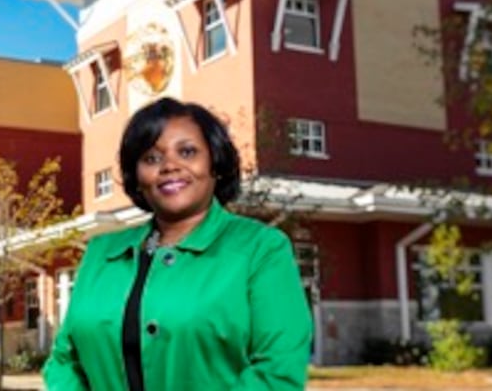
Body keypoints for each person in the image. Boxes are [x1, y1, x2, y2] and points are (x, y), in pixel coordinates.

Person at [43, 97, 312, 390]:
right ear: (138, 176)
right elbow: (64, 361)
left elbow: (276, 372)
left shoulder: (261, 250)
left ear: (215, 162)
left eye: (187, 151)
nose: (169, 166)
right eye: (151, 158)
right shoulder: (100, 253)